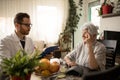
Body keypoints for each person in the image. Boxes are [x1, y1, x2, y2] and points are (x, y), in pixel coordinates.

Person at [0, 12, 35, 79]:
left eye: (30, 25)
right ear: (17, 25)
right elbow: (4, 65)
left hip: (27, 76)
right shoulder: (5, 41)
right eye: (26, 25)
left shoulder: (30, 41)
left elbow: (32, 60)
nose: (29, 28)